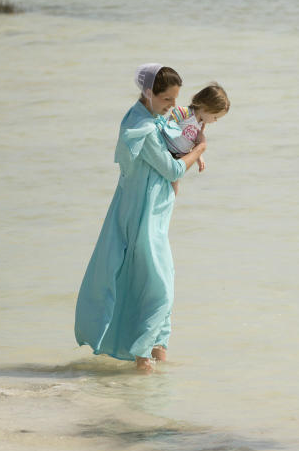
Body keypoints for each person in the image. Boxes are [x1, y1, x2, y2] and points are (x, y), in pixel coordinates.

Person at [74, 63, 207, 373]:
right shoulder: (142, 127)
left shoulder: (152, 118)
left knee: (159, 282)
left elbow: (175, 141)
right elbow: (172, 169)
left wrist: (191, 143)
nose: (173, 106)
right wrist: (200, 149)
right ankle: (142, 359)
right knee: (159, 288)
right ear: (149, 94)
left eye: (176, 99)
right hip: (142, 217)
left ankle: (155, 372)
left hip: (155, 214)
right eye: (167, 100)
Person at [164, 82, 230, 195]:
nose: (215, 121)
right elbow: (173, 115)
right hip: (167, 150)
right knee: (166, 184)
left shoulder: (200, 124)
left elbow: (196, 142)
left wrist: (198, 158)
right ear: (205, 108)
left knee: (174, 189)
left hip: (179, 157)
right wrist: (170, 128)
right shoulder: (187, 113)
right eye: (215, 117)